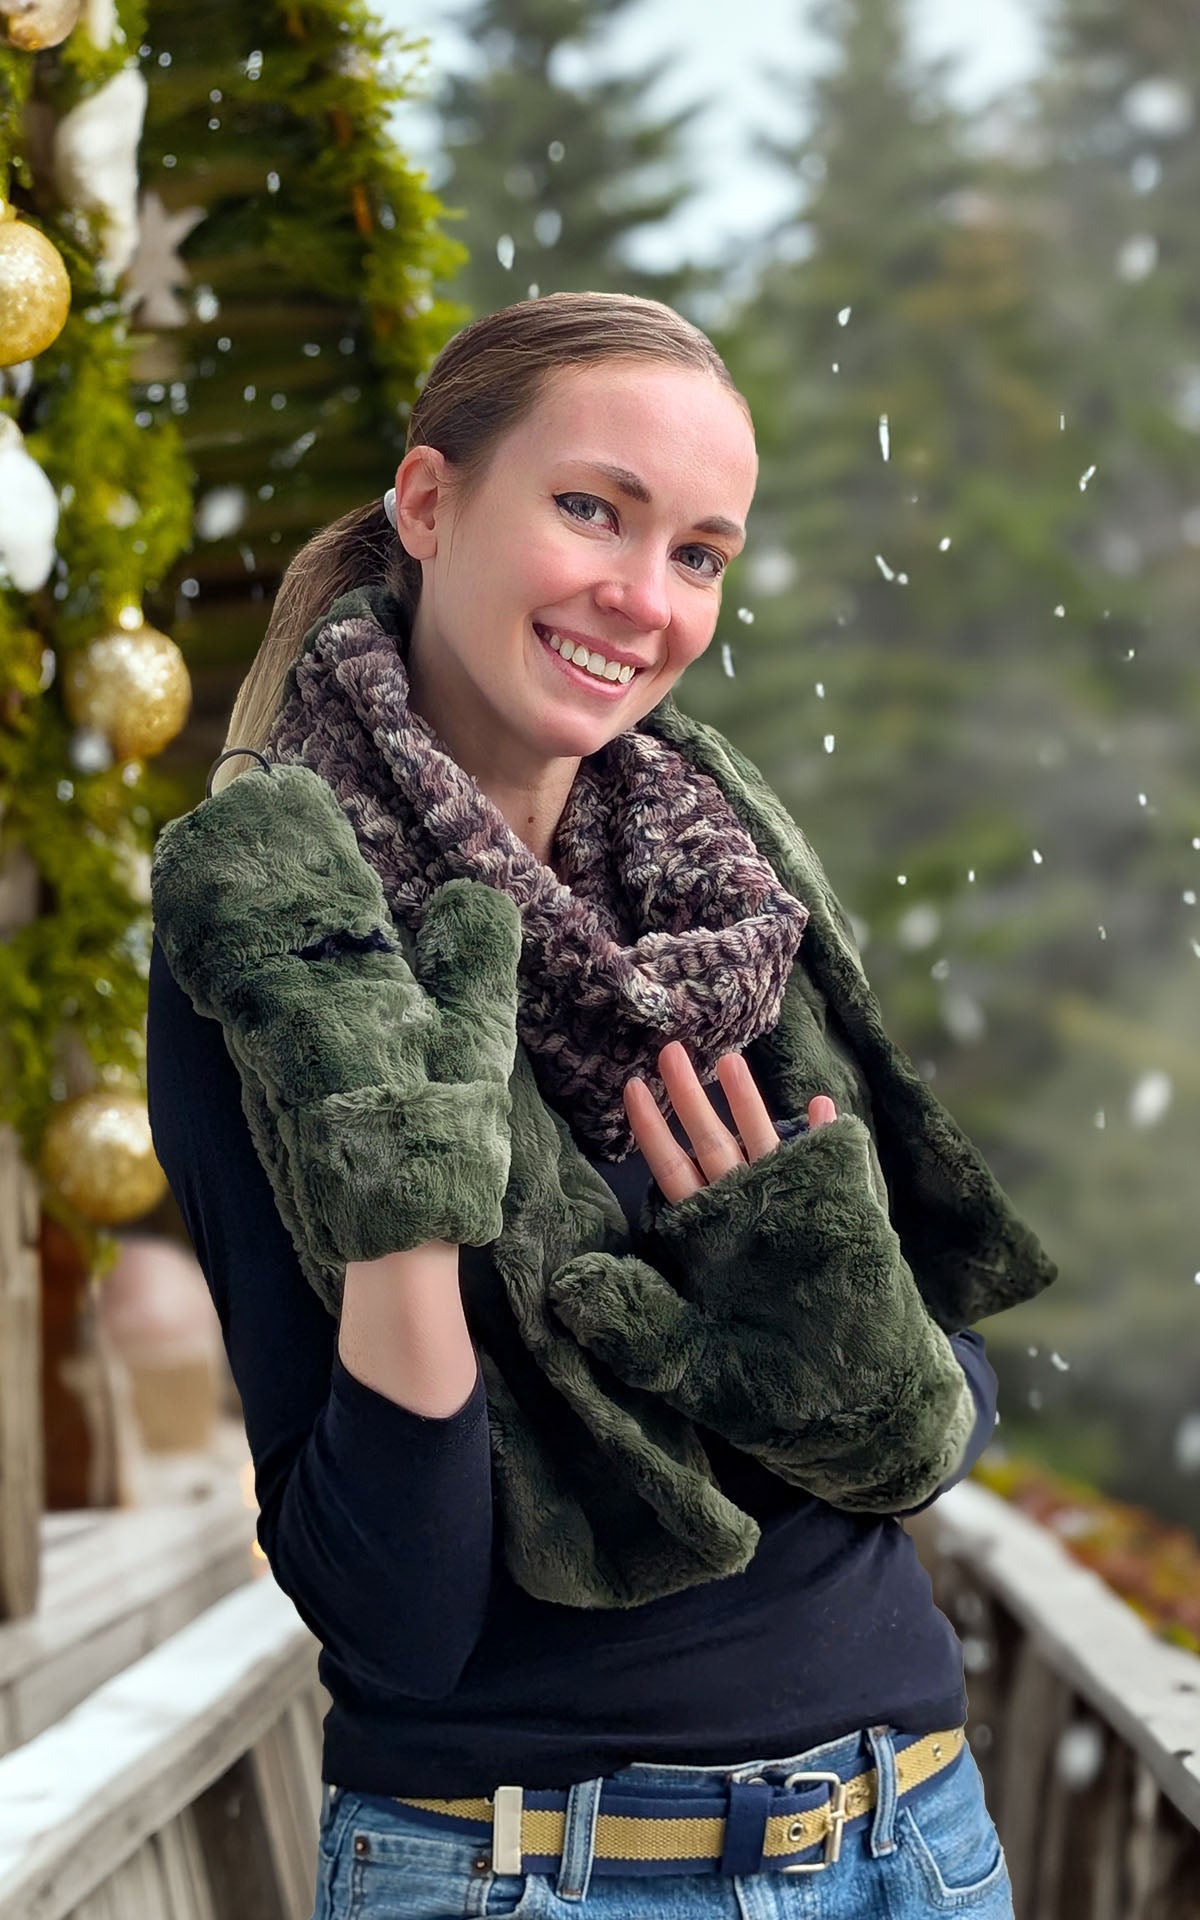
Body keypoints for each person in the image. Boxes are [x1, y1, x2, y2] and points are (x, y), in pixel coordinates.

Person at [147, 291, 1044, 1919]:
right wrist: (410, 1218)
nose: (645, 598)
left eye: (700, 552)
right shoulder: (279, 924)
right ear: (429, 503)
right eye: (591, 510)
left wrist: (826, 1340)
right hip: (517, 1865)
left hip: (906, 1839)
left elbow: (954, 1411)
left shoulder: (725, 881)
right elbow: (395, 1620)